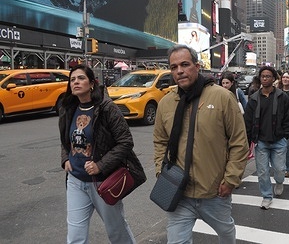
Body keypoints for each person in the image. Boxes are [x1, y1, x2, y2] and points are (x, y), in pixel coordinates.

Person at [153, 44, 249, 243]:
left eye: (185, 64)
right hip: (179, 192)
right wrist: (160, 171)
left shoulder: (222, 97)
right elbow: (160, 141)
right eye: (174, 67)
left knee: (225, 232)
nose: (179, 71)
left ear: (197, 66)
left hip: (215, 192)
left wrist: (230, 179)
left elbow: (239, 142)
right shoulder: (166, 103)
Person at [59, 64, 146, 244]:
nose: (76, 82)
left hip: (102, 182)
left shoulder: (106, 108)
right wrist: (65, 158)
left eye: (81, 78)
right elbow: (65, 138)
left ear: (91, 83)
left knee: (117, 231)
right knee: (75, 236)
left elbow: (126, 141)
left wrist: (100, 165)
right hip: (75, 181)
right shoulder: (68, 108)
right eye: (72, 79)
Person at [244, 66, 289, 209]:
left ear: (273, 79)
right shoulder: (253, 98)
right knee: (263, 171)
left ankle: (279, 182)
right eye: (262, 76)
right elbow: (248, 121)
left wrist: (285, 135)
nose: (265, 78)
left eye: (268, 76)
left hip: (279, 140)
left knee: (279, 170)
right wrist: (249, 140)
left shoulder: (282, 97)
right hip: (261, 142)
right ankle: (266, 195)